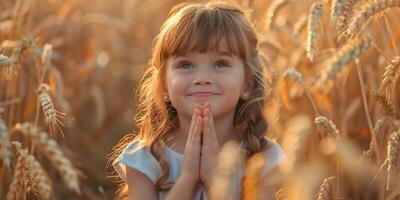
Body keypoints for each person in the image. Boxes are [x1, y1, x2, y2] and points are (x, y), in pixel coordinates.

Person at [110, 1, 286, 199]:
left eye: (221, 64)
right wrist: (188, 178)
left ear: (247, 84)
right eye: (185, 65)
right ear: (164, 86)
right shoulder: (144, 160)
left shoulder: (262, 158)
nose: (202, 78)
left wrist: (215, 180)